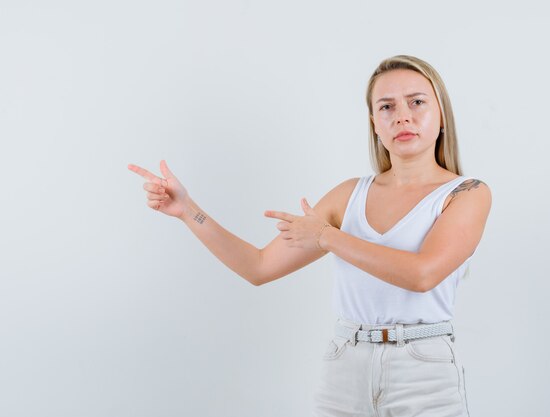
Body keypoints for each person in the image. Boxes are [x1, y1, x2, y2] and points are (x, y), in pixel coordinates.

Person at [128, 54, 491, 417]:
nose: (402, 116)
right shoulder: (349, 195)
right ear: (374, 124)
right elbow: (258, 267)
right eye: (386, 106)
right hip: (346, 365)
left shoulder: (467, 193)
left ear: (441, 114)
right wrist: (187, 210)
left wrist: (327, 237)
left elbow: (422, 275)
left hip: (423, 369)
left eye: (417, 102)